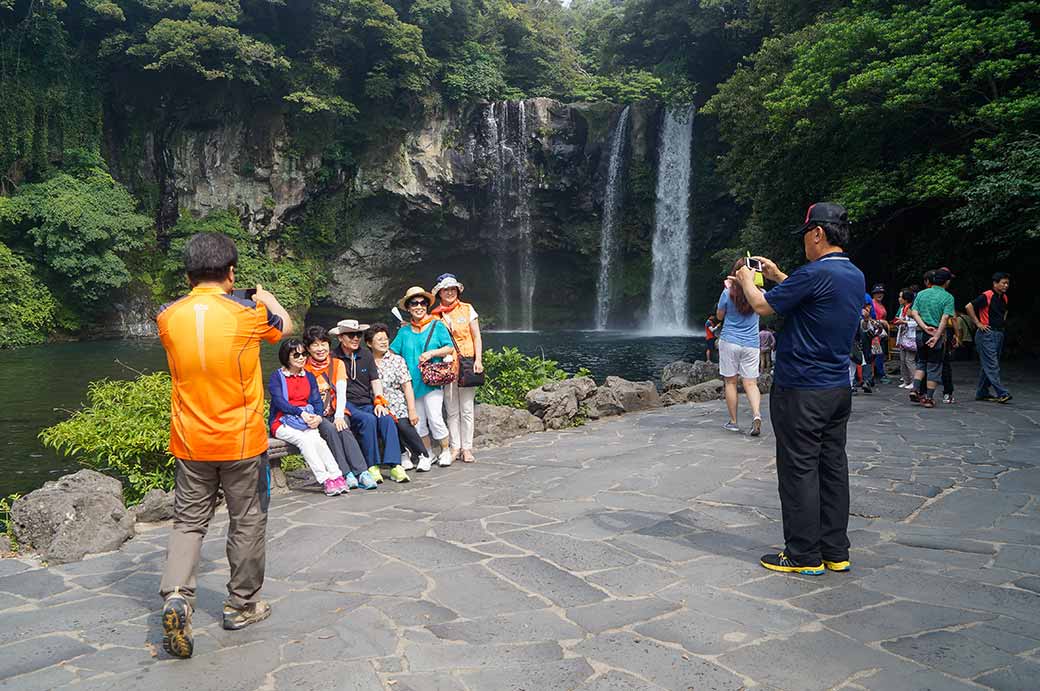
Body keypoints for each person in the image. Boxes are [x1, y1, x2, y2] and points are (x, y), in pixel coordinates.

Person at [156, 231, 292, 658]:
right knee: (247, 519)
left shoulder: (166, 316)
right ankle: (241, 605)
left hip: (190, 442)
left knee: (188, 522)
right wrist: (266, 298)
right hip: (241, 441)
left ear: (189, 273)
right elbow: (286, 329)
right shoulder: (247, 313)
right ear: (231, 272)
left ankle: (178, 595)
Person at [732, 202, 864, 576]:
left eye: (806, 234)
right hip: (838, 388)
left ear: (817, 233)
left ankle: (804, 555)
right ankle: (835, 551)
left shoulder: (813, 273)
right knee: (832, 467)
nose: (805, 241)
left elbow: (760, 305)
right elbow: (811, 296)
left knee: (799, 469)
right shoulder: (853, 275)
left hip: (802, 389)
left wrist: (745, 277)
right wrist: (776, 275)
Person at [329, 319, 409, 483]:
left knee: (386, 418)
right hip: (346, 403)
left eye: (358, 335)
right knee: (368, 420)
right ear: (340, 337)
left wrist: (379, 401)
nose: (355, 338)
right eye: (351, 335)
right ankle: (372, 465)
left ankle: (395, 465)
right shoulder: (333, 357)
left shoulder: (365, 354)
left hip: (366, 401)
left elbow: (375, 380)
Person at [267, 339, 347, 497]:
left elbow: (316, 400)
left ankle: (336, 476)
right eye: (296, 355)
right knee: (305, 441)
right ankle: (325, 479)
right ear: (286, 357)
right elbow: (279, 401)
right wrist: (300, 413)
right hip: (282, 421)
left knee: (319, 441)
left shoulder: (308, 376)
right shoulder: (277, 377)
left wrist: (317, 416)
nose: (301, 358)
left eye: (303, 354)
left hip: (306, 420)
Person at [302, 326, 378, 490]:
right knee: (329, 429)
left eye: (323, 344)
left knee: (342, 426)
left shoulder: (337, 364)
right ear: (308, 348)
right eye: (315, 345)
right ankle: (345, 473)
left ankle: (362, 472)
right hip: (317, 415)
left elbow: (342, 392)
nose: (320, 349)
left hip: (336, 409)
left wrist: (338, 415)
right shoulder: (304, 368)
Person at [391, 286, 456, 466]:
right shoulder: (404, 332)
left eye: (422, 303)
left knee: (435, 417)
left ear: (427, 305)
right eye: (414, 303)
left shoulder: (437, 325)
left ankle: (445, 450)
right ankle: (426, 453)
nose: (418, 306)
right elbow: (392, 352)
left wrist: (431, 353)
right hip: (412, 384)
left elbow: (449, 347)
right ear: (409, 308)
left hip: (431, 380)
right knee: (418, 421)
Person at [365, 323, 435, 471]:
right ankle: (402, 455)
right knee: (386, 425)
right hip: (376, 404)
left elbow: (406, 385)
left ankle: (424, 456)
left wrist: (412, 409)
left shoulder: (397, 360)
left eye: (385, 339)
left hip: (397, 401)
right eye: (379, 339)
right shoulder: (366, 361)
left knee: (403, 425)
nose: (384, 342)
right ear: (369, 343)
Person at [431, 273, 483, 463]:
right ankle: (455, 447)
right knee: (451, 409)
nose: (450, 292)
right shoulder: (434, 315)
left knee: (467, 408)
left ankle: (467, 448)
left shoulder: (468, 309)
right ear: (440, 293)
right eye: (446, 289)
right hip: (446, 366)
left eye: (453, 289)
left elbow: (476, 336)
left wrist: (479, 360)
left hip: (468, 363)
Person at [717, 258, 763, 436]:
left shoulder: (728, 293)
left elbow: (719, 316)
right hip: (751, 343)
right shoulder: (760, 293)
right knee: (751, 383)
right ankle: (757, 415)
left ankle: (734, 422)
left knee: (730, 382)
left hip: (730, 341)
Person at [909, 268, 955, 408]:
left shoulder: (921, 294)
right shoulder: (948, 297)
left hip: (920, 333)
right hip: (936, 333)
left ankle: (915, 389)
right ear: (946, 282)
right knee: (934, 366)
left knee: (921, 362)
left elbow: (914, 313)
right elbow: (945, 318)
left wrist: (923, 327)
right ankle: (928, 398)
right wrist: (936, 335)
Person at [966, 271, 1011, 403]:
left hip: (998, 333)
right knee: (992, 364)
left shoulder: (1004, 297)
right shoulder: (987, 295)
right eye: (1003, 283)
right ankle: (1002, 392)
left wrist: (1002, 323)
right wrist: (978, 323)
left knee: (989, 364)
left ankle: (982, 392)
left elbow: (1005, 311)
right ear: (995, 283)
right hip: (987, 333)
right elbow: (969, 306)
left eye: (1007, 283)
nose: (1006, 285)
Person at [892, 289, 917, 389]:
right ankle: (906, 380)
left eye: (901, 297)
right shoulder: (903, 309)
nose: (899, 299)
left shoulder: (913, 309)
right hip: (903, 337)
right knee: (902, 360)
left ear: (906, 299)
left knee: (909, 360)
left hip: (910, 338)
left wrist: (904, 322)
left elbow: (917, 323)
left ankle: (915, 381)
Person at [869, 284, 890, 385]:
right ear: (873, 294)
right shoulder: (872, 303)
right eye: (877, 293)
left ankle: (875, 374)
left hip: (880, 332)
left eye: (881, 292)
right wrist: (881, 321)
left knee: (878, 353)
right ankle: (878, 375)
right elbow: (869, 317)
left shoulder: (881, 304)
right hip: (874, 331)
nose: (879, 294)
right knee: (877, 354)